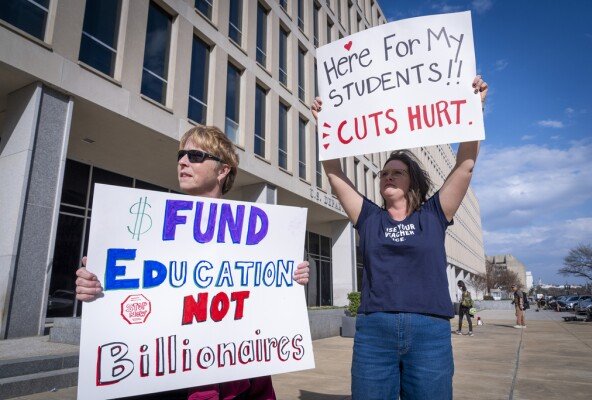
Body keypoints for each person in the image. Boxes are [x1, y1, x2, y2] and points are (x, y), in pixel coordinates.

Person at [75, 125, 310, 400]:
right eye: (181, 155)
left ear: (223, 170)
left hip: (237, 379)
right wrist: (95, 285)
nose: (183, 162)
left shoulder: (256, 242)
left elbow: (265, 294)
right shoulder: (146, 231)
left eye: (196, 155)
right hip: (167, 382)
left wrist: (290, 279)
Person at [311, 75, 488, 399]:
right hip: (374, 333)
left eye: (397, 172)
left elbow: (464, 167)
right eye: (383, 174)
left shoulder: (433, 215)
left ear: (413, 181)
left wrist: (474, 111)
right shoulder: (369, 218)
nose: (388, 176)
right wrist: (326, 126)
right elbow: (335, 174)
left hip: (430, 333)